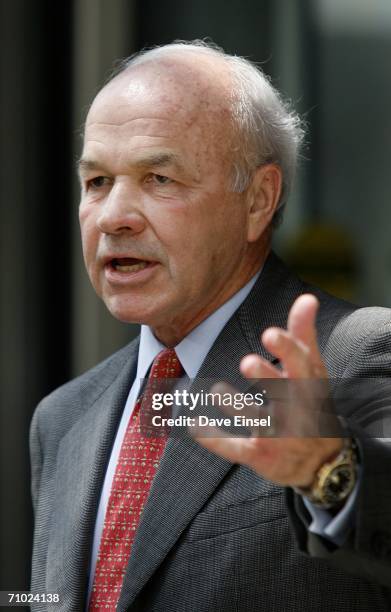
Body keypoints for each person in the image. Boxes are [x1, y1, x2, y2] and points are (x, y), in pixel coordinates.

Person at [30, 40, 391, 612]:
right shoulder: (63, 418)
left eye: (159, 179)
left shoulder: (357, 353)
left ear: (258, 201)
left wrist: (333, 473)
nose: (114, 217)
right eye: (96, 182)